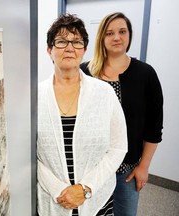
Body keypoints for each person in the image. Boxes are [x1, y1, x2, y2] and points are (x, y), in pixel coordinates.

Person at [37, 14, 128, 216]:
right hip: (53, 201)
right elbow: (32, 154)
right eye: (61, 41)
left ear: (84, 50)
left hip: (97, 200)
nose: (69, 48)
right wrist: (59, 190)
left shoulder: (104, 93)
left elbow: (118, 147)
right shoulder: (35, 95)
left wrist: (85, 188)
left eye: (77, 42)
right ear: (49, 50)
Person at [80, 12, 164, 216]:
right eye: (110, 33)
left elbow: (154, 126)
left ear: (129, 35)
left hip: (126, 169)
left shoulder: (145, 74)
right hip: (91, 168)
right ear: (102, 37)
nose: (116, 37)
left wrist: (144, 166)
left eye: (122, 32)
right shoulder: (85, 72)